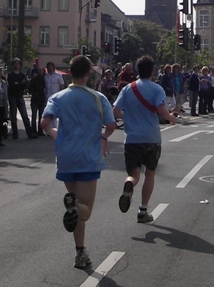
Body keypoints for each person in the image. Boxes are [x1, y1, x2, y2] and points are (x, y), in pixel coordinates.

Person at [41, 55, 116, 270]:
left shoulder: (58, 97)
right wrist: (103, 139)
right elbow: (110, 125)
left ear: (70, 73)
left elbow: (44, 123)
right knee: (85, 210)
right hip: (88, 158)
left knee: (76, 211)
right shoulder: (98, 97)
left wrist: (57, 136)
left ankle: (80, 252)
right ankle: (73, 208)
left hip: (65, 158)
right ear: (87, 75)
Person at [113, 55, 177, 224]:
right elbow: (162, 112)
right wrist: (173, 118)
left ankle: (129, 183)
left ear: (137, 70)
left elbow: (115, 111)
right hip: (151, 138)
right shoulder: (157, 89)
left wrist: (128, 117)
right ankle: (143, 210)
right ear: (152, 71)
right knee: (149, 173)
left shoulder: (128, 89)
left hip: (132, 138)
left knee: (134, 173)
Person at [7, 58, 36, 139]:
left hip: (20, 96)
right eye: (15, 63)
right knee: (13, 116)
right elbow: (12, 86)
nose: (16, 65)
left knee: (25, 115)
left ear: (19, 65)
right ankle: (15, 134)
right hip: (12, 96)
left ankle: (29, 133)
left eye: (18, 63)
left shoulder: (22, 75)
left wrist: (18, 84)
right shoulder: (10, 75)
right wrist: (20, 84)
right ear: (13, 65)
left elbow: (26, 84)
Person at [28, 66, 47, 136]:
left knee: (41, 116)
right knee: (34, 115)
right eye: (39, 71)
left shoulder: (45, 78)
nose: (41, 72)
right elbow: (30, 88)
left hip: (42, 98)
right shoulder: (34, 78)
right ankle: (33, 130)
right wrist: (34, 92)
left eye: (42, 71)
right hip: (35, 99)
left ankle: (40, 130)